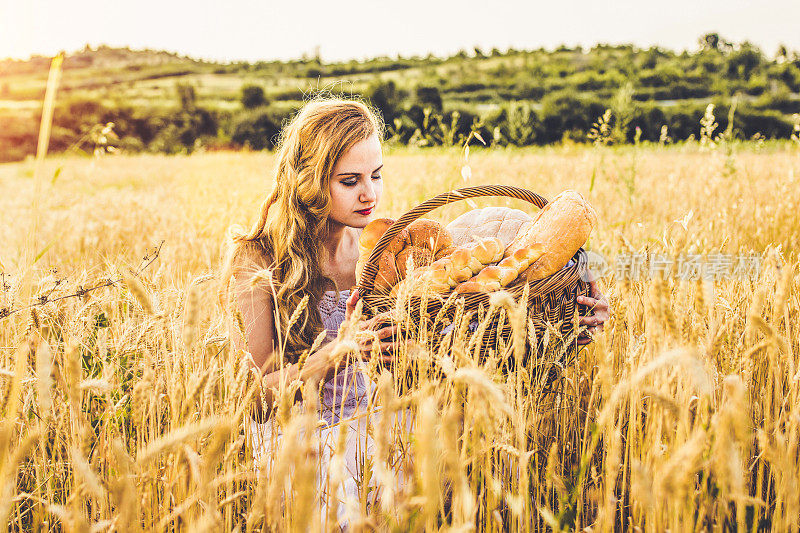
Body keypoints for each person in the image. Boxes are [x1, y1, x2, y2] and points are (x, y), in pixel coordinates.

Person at [219, 97, 404, 530]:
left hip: (381, 417)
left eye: (376, 176)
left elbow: (461, 319)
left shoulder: (387, 245)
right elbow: (254, 395)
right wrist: (338, 351)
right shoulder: (258, 258)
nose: (369, 194)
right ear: (310, 181)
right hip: (302, 437)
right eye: (349, 180)